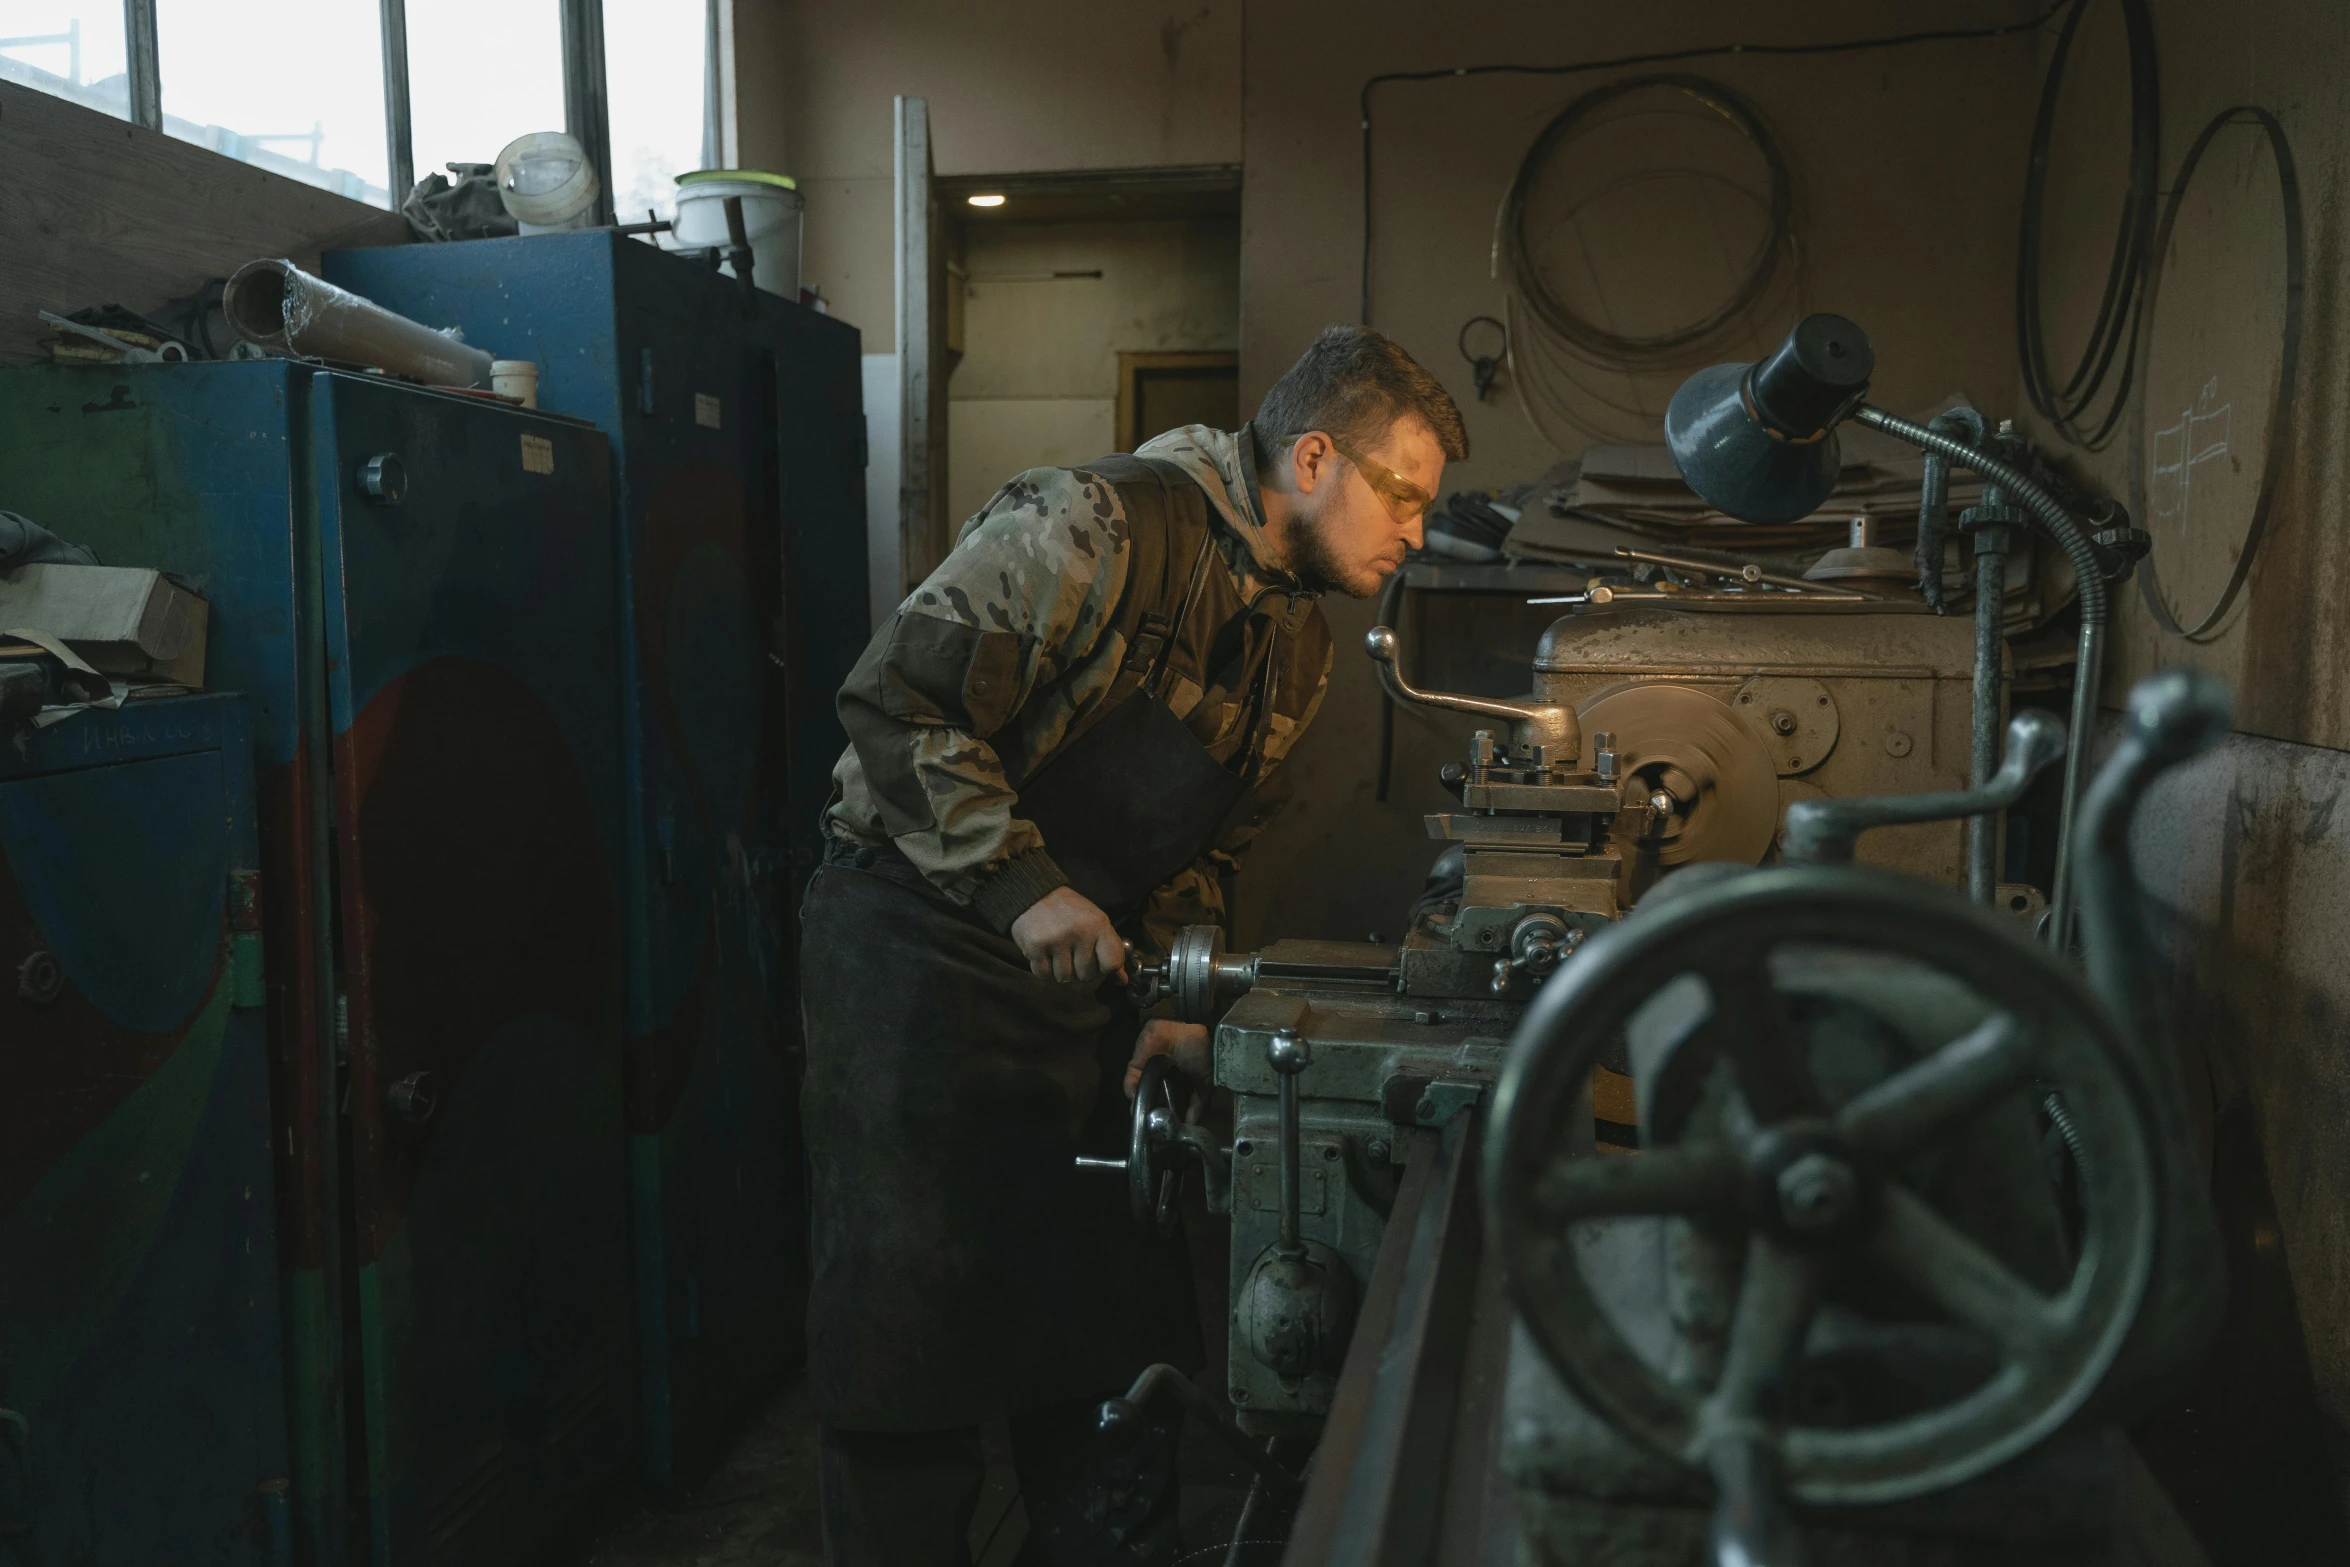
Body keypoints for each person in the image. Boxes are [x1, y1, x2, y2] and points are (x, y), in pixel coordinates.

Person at [800, 325, 1467, 1564]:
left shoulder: (1296, 645)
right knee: (909, 1344)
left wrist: (1183, 994)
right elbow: (896, 704)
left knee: (1113, 1338)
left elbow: (1199, 849)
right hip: (917, 959)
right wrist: (1016, 884)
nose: (1418, 535)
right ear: (1314, 457)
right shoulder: (1098, 523)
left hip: (1090, 986)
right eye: (1406, 498)